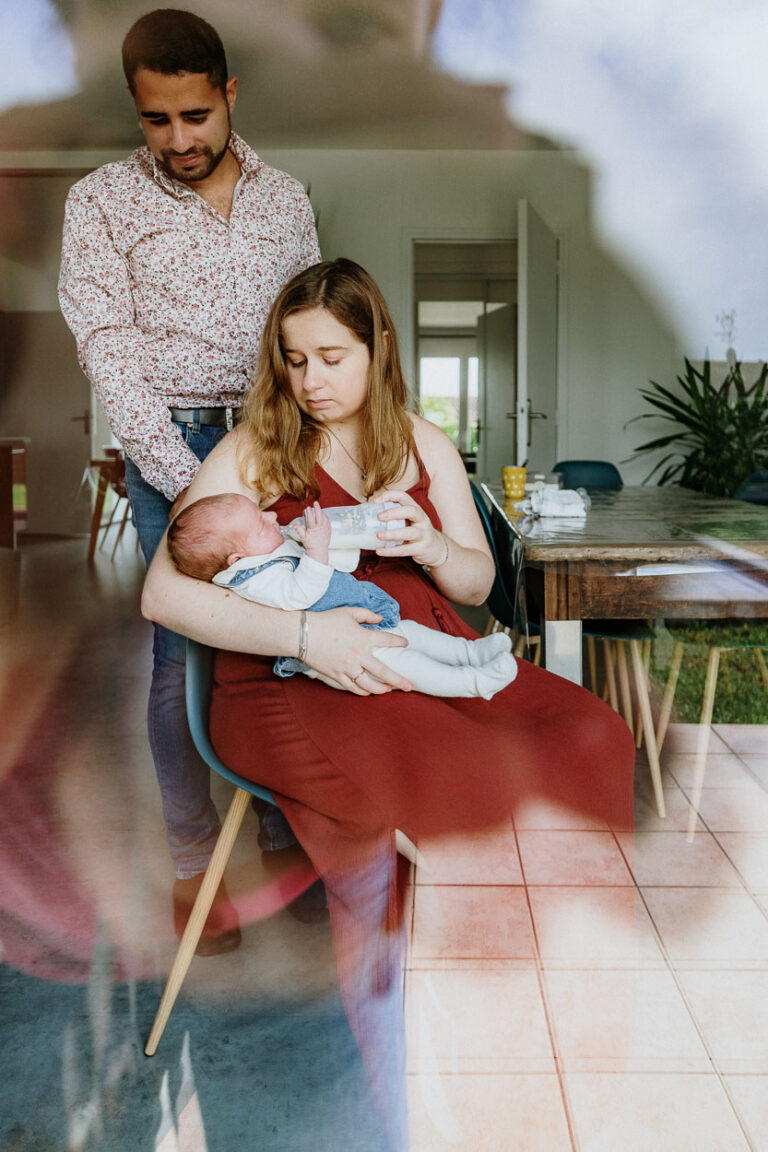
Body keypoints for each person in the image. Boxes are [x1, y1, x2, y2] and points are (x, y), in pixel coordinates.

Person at [141, 256, 635, 1150]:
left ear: (378, 348)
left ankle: (535, 992)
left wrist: (433, 544)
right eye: (295, 360)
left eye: (332, 358)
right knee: (427, 789)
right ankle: (410, 1090)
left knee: (592, 732)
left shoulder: (421, 441)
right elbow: (163, 594)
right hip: (292, 678)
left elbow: (476, 586)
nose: (310, 381)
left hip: (428, 654)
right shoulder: (256, 444)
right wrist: (307, 638)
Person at [58, 9, 321, 949]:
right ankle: (193, 866)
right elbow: (108, 351)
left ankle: (288, 838)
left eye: (196, 116)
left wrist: (296, 454)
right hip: (167, 441)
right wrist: (192, 482)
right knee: (183, 657)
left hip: (272, 443)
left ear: (230, 95)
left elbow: (307, 332)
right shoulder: (99, 202)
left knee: (285, 636)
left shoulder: (286, 200)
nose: (178, 140)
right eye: (156, 120)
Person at [167, 493, 517, 697]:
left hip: (363, 621)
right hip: (345, 651)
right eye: (260, 523)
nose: (272, 516)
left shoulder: (264, 551)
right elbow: (300, 594)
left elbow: (340, 567)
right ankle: (474, 683)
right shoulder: (252, 580)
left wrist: (330, 540)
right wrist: (315, 549)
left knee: (412, 634)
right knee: (408, 665)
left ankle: (470, 653)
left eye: (263, 512)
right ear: (237, 560)